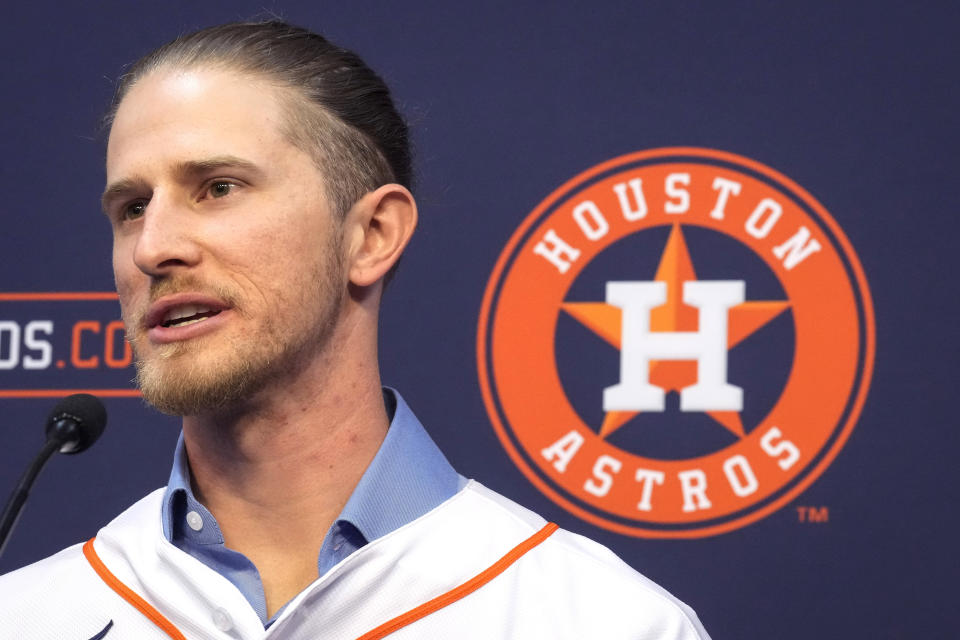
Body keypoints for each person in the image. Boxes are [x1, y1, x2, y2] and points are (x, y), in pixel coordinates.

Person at [0, 21, 710, 639]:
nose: (153, 248)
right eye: (130, 207)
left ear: (371, 234)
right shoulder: (26, 617)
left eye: (217, 187)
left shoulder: (605, 623)